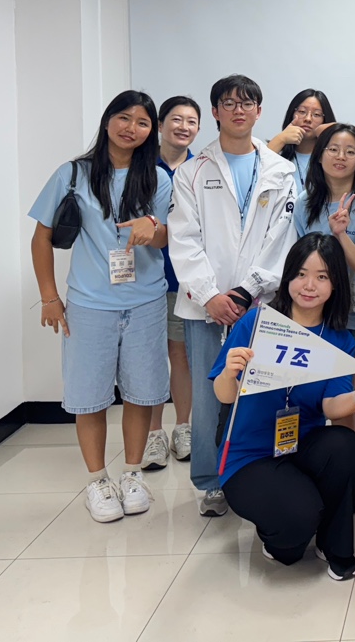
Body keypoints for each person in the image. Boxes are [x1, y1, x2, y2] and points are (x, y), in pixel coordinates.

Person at [28, 90, 172, 523]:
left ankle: (132, 475)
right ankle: (97, 482)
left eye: (142, 122)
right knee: (89, 397)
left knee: (142, 393)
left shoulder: (158, 179)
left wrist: (153, 227)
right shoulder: (72, 174)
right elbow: (41, 238)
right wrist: (50, 297)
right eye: (124, 118)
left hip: (145, 302)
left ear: (151, 131)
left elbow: (168, 238)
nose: (131, 128)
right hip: (89, 305)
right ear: (108, 120)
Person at [211, 233, 355, 580]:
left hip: (301, 445)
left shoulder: (338, 340)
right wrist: (229, 373)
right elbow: (224, 395)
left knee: (348, 448)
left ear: (335, 284)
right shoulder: (256, 323)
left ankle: (333, 545)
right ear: (287, 277)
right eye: (301, 274)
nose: (309, 285)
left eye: (322, 276)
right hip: (249, 455)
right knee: (295, 527)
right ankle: (281, 538)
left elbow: (331, 407)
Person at [168, 75, 299, 517]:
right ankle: (210, 482)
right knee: (209, 398)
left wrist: (247, 290)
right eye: (229, 103)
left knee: (263, 392)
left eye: (247, 103)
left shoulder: (281, 170)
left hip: (260, 302)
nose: (238, 110)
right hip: (205, 306)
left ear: (259, 111)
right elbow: (183, 239)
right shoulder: (191, 172)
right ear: (216, 112)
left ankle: (257, 471)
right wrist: (211, 296)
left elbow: (282, 236)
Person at [293, 123, 355, 487]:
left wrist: (340, 234)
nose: (341, 157)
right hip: (326, 315)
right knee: (340, 395)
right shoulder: (304, 204)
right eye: (333, 149)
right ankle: (349, 465)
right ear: (319, 155)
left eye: (351, 151)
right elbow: (298, 264)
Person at [144, 95, 201, 471]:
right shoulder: (140, 168)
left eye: (191, 121)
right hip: (146, 280)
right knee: (149, 358)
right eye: (176, 119)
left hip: (186, 281)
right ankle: (153, 434)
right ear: (160, 125)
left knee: (180, 356)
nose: (183, 126)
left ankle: (183, 427)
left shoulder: (201, 171)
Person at [270, 89, 334, 192]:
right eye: (302, 112)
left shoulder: (333, 157)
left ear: (325, 120)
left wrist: (336, 129)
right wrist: (280, 139)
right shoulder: (277, 153)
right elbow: (256, 174)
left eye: (317, 114)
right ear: (292, 113)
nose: (308, 119)